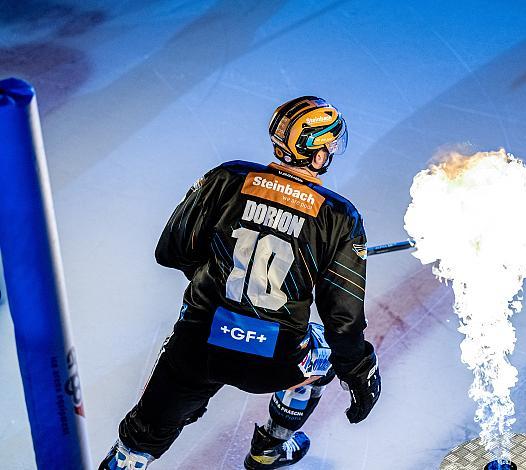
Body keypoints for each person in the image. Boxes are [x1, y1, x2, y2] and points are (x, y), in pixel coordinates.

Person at [99, 96, 381, 469]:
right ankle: (272, 448)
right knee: (324, 351)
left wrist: (219, 277)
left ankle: (129, 458)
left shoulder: (226, 178)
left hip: (197, 346)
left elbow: (172, 251)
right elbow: (342, 325)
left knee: (137, 444)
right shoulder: (339, 217)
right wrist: (361, 375)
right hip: (275, 361)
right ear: (315, 154)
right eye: (328, 145)